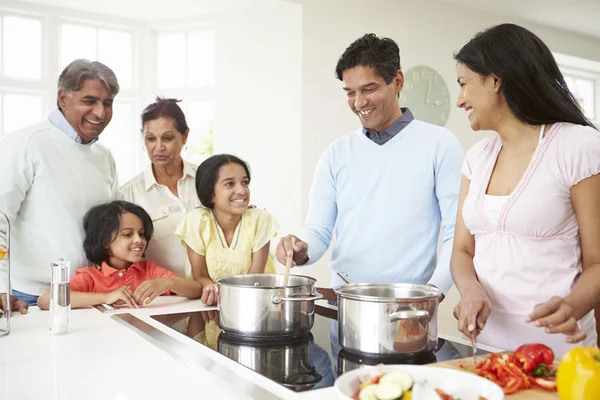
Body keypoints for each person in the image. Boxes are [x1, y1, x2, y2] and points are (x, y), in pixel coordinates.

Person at [450, 23, 600, 356]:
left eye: (464, 84)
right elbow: (462, 250)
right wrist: (470, 290)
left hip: (559, 358)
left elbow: (597, 261)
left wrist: (573, 305)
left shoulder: (578, 147)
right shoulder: (477, 157)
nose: (460, 100)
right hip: (487, 353)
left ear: (495, 80)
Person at [276, 33, 463, 296]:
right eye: (350, 93)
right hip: (344, 303)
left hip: (409, 306)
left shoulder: (440, 144)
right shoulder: (336, 153)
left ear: (397, 81)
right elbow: (318, 230)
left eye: (369, 89)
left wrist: (432, 293)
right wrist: (301, 248)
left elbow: (458, 233)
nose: (359, 102)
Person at [0, 59, 121, 314]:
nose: (100, 113)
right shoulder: (25, 144)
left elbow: (113, 229)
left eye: (107, 103)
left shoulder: (104, 156)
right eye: (89, 101)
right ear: (63, 99)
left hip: (88, 296)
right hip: (28, 297)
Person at [37, 201, 202, 309]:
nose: (139, 240)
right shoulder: (91, 277)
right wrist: (106, 297)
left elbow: (197, 290)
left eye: (142, 234)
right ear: (105, 241)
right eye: (128, 234)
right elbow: (45, 300)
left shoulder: (149, 271)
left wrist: (168, 283)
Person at [176, 154, 279, 305]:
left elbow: (255, 277)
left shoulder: (260, 219)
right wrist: (211, 289)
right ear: (211, 194)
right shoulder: (196, 222)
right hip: (209, 306)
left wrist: (226, 297)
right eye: (230, 184)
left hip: (256, 305)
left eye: (244, 183)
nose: (242, 190)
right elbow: (200, 275)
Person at [121, 97, 200, 277]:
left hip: (212, 289)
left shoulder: (207, 180)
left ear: (185, 135)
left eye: (167, 138)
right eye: (150, 139)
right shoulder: (128, 194)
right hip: (164, 296)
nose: (158, 147)